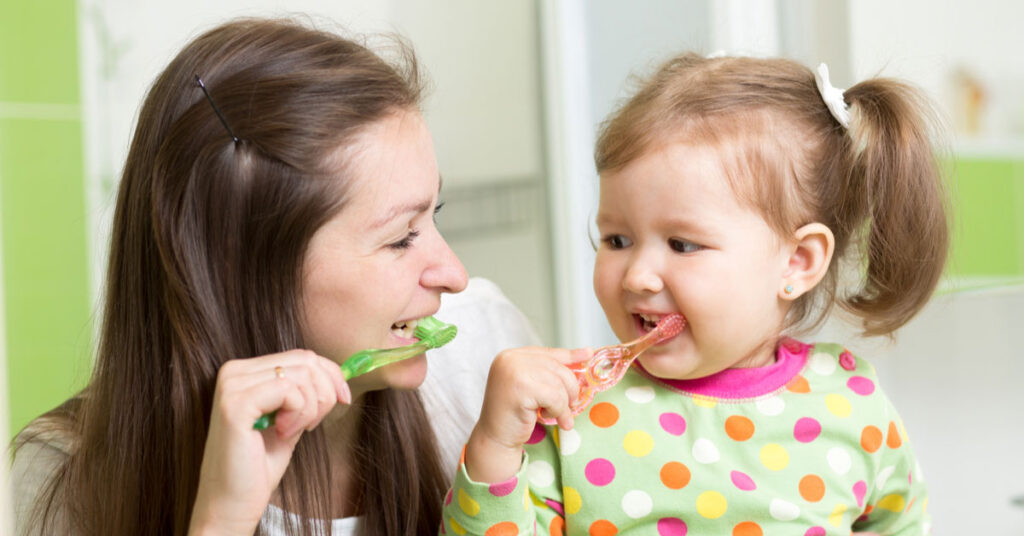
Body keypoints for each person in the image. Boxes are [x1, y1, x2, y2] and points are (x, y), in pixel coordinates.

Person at [7, 17, 538, 536]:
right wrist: (221, 519)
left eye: (434, 213)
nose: (455, 276)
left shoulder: (485, 356)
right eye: (401, 238)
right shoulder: (67, 472)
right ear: (246, 268)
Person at [442, 53, 947, 535]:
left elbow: (901, 523)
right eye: (617, 240)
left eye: (682, 245)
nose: (637, 275)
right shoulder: (574, 410)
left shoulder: (851, 402)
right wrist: (494, 443)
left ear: (798, 261)